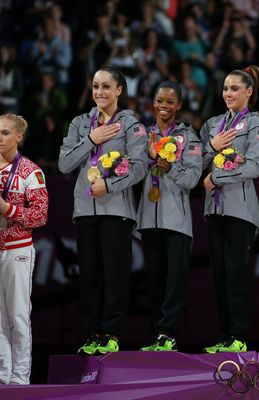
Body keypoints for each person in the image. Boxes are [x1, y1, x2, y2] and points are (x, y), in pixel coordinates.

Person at [58, 66, 147, 356]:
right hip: (85, 210)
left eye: (106, 86)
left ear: (119, 90)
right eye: (96, 86)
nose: (100, 92)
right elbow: (64, 164)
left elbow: (139, 166)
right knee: (91, 276)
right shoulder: (80, 123)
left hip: (117, 210)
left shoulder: (131, 125)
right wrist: (92, 139)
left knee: (114, 274)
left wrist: (109, 186)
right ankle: (92, 332)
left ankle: (111, 334)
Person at [200, 65, 259, 353]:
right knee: (218, 275)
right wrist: (210, 147)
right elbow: (195, 161)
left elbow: (254, 166)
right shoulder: (213, 125)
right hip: (214, 210)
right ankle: (225, 336)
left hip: (240, 211)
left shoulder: (257, 126)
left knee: (236, 273)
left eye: (234, 88)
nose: (228, 93)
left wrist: (217, 177)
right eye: (226, 88)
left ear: (249, 92)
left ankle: (238, 336)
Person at [137, 81, 202, 352]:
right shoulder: (140, 135)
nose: (164, 105)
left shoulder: (189, 138)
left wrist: (169, 166)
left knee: (174, 283)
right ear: (153, 104)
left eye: (170, 101)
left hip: (176, 220)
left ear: (179, 106)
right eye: (159, 100)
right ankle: (157, 336)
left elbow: (193, 178)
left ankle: (168, 334)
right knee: (155, 281)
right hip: (148, 220)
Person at [0, 113, 48, 384]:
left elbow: (40, 216)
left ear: (19, 136)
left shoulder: (31, 171)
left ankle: (19, 379)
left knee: (17, 315)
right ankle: (3, 377)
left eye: (6, 133)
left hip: (17, 249)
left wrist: (8, 209)